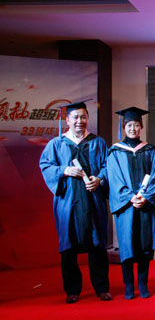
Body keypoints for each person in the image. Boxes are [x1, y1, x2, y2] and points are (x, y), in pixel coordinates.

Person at [39, 101, 112, 304]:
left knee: (97, 245)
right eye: (75, 117)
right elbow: (45, 165)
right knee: (68, 246)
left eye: (83, 117)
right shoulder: (57, 144)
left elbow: (109, 166)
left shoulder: (98, 142)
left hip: (93, 199)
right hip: (68, 201)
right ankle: (72, 290)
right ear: (67, 120)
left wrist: (100, 179)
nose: (80, 121)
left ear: (88, 118)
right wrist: (64, 170)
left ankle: (102, 288)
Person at [107, 107, 155, 299]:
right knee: (127, 245)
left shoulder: (150, 150)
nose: (133, 128)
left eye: (136, 125)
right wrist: (130, 196)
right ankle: (129, 285)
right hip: (127, 206)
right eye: (129, 125)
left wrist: (145, 197)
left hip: (145, 204)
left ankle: (143, 284)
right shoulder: (115, 151)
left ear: (141, 127)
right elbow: (114, 178)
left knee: (145, 245)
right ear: (124, 127)